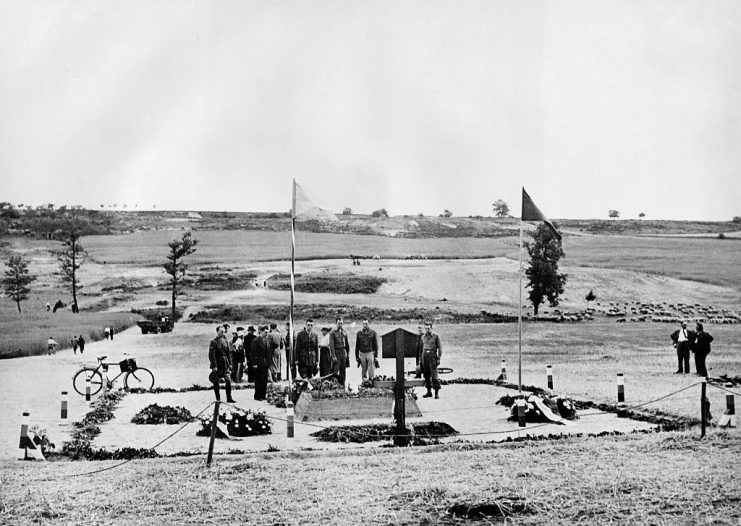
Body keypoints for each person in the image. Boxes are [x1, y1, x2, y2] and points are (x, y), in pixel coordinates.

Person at [209, 325, 235, 403]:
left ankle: (229, 398)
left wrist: (230, 363)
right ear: (217, 332)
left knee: (228, 381)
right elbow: (211, 355)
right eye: (221, 332)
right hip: (218, 364)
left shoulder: (225, 341)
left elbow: (228, 353)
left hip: (225, 363)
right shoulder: (213, 342)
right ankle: (218, 398)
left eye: (224, 332)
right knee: (216, 381)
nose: (223, 333)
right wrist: (214, 366)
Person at [419, 322, 442, 399]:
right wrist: (420, 360)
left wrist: (438, 358)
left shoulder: (436, 337)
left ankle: (436, 392)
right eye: (426, 328)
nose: (427, 330)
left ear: (431, 328)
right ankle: (429, 392)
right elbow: (421, 349)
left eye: (428, 328)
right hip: (424, 356)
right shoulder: (423, 337)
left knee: (434, 375)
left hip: (432, 356)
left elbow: (440, 349)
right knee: (426, 375)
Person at [329, 318, 350, 387]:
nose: (340, 325)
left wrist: (347, 353)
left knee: (343, 370)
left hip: (343, 353)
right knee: (335, 371)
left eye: (341, 323)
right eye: (339, 323)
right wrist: (333, 356)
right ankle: (334, 385)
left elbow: (347, 344)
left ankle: (342, 385)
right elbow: (331, 345)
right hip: (336, 352)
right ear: (336, 323)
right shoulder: (332, 332)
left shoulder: (344, 332)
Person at [251, 326, 270, 400]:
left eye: (267, 332)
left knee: (264, 379)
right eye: (265, 332)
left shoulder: (266, 340)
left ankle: (263, 395)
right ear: (261, 332)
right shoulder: (256, 340)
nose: (266, 334)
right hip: (258, 362)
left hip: (265, 363)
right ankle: (257, 395)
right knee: (258, 379)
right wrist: (254, 363)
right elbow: (253, 353)